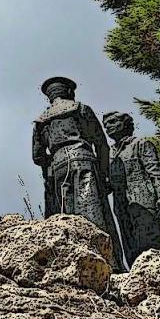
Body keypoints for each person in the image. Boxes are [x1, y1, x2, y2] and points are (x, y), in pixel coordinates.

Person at [32, 77, 125, 272]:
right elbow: (100, 143)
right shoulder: (81, 109)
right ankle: (109, 263)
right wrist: (104, 174)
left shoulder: (41, 120)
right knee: (95, 211)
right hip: (84, 160)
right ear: (68, 92)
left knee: (65, 212)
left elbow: (37, 156)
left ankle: (70, 263)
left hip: (58, 167)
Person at [103, 111, 160, 266]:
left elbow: (155, 171)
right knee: (130, 246)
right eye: (106, 125)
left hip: (144, 201)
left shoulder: (141, 143)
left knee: (152, 243)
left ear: (125, 123)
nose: (108, 127)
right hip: (121, 206)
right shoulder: (109, 154)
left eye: (112, 122)